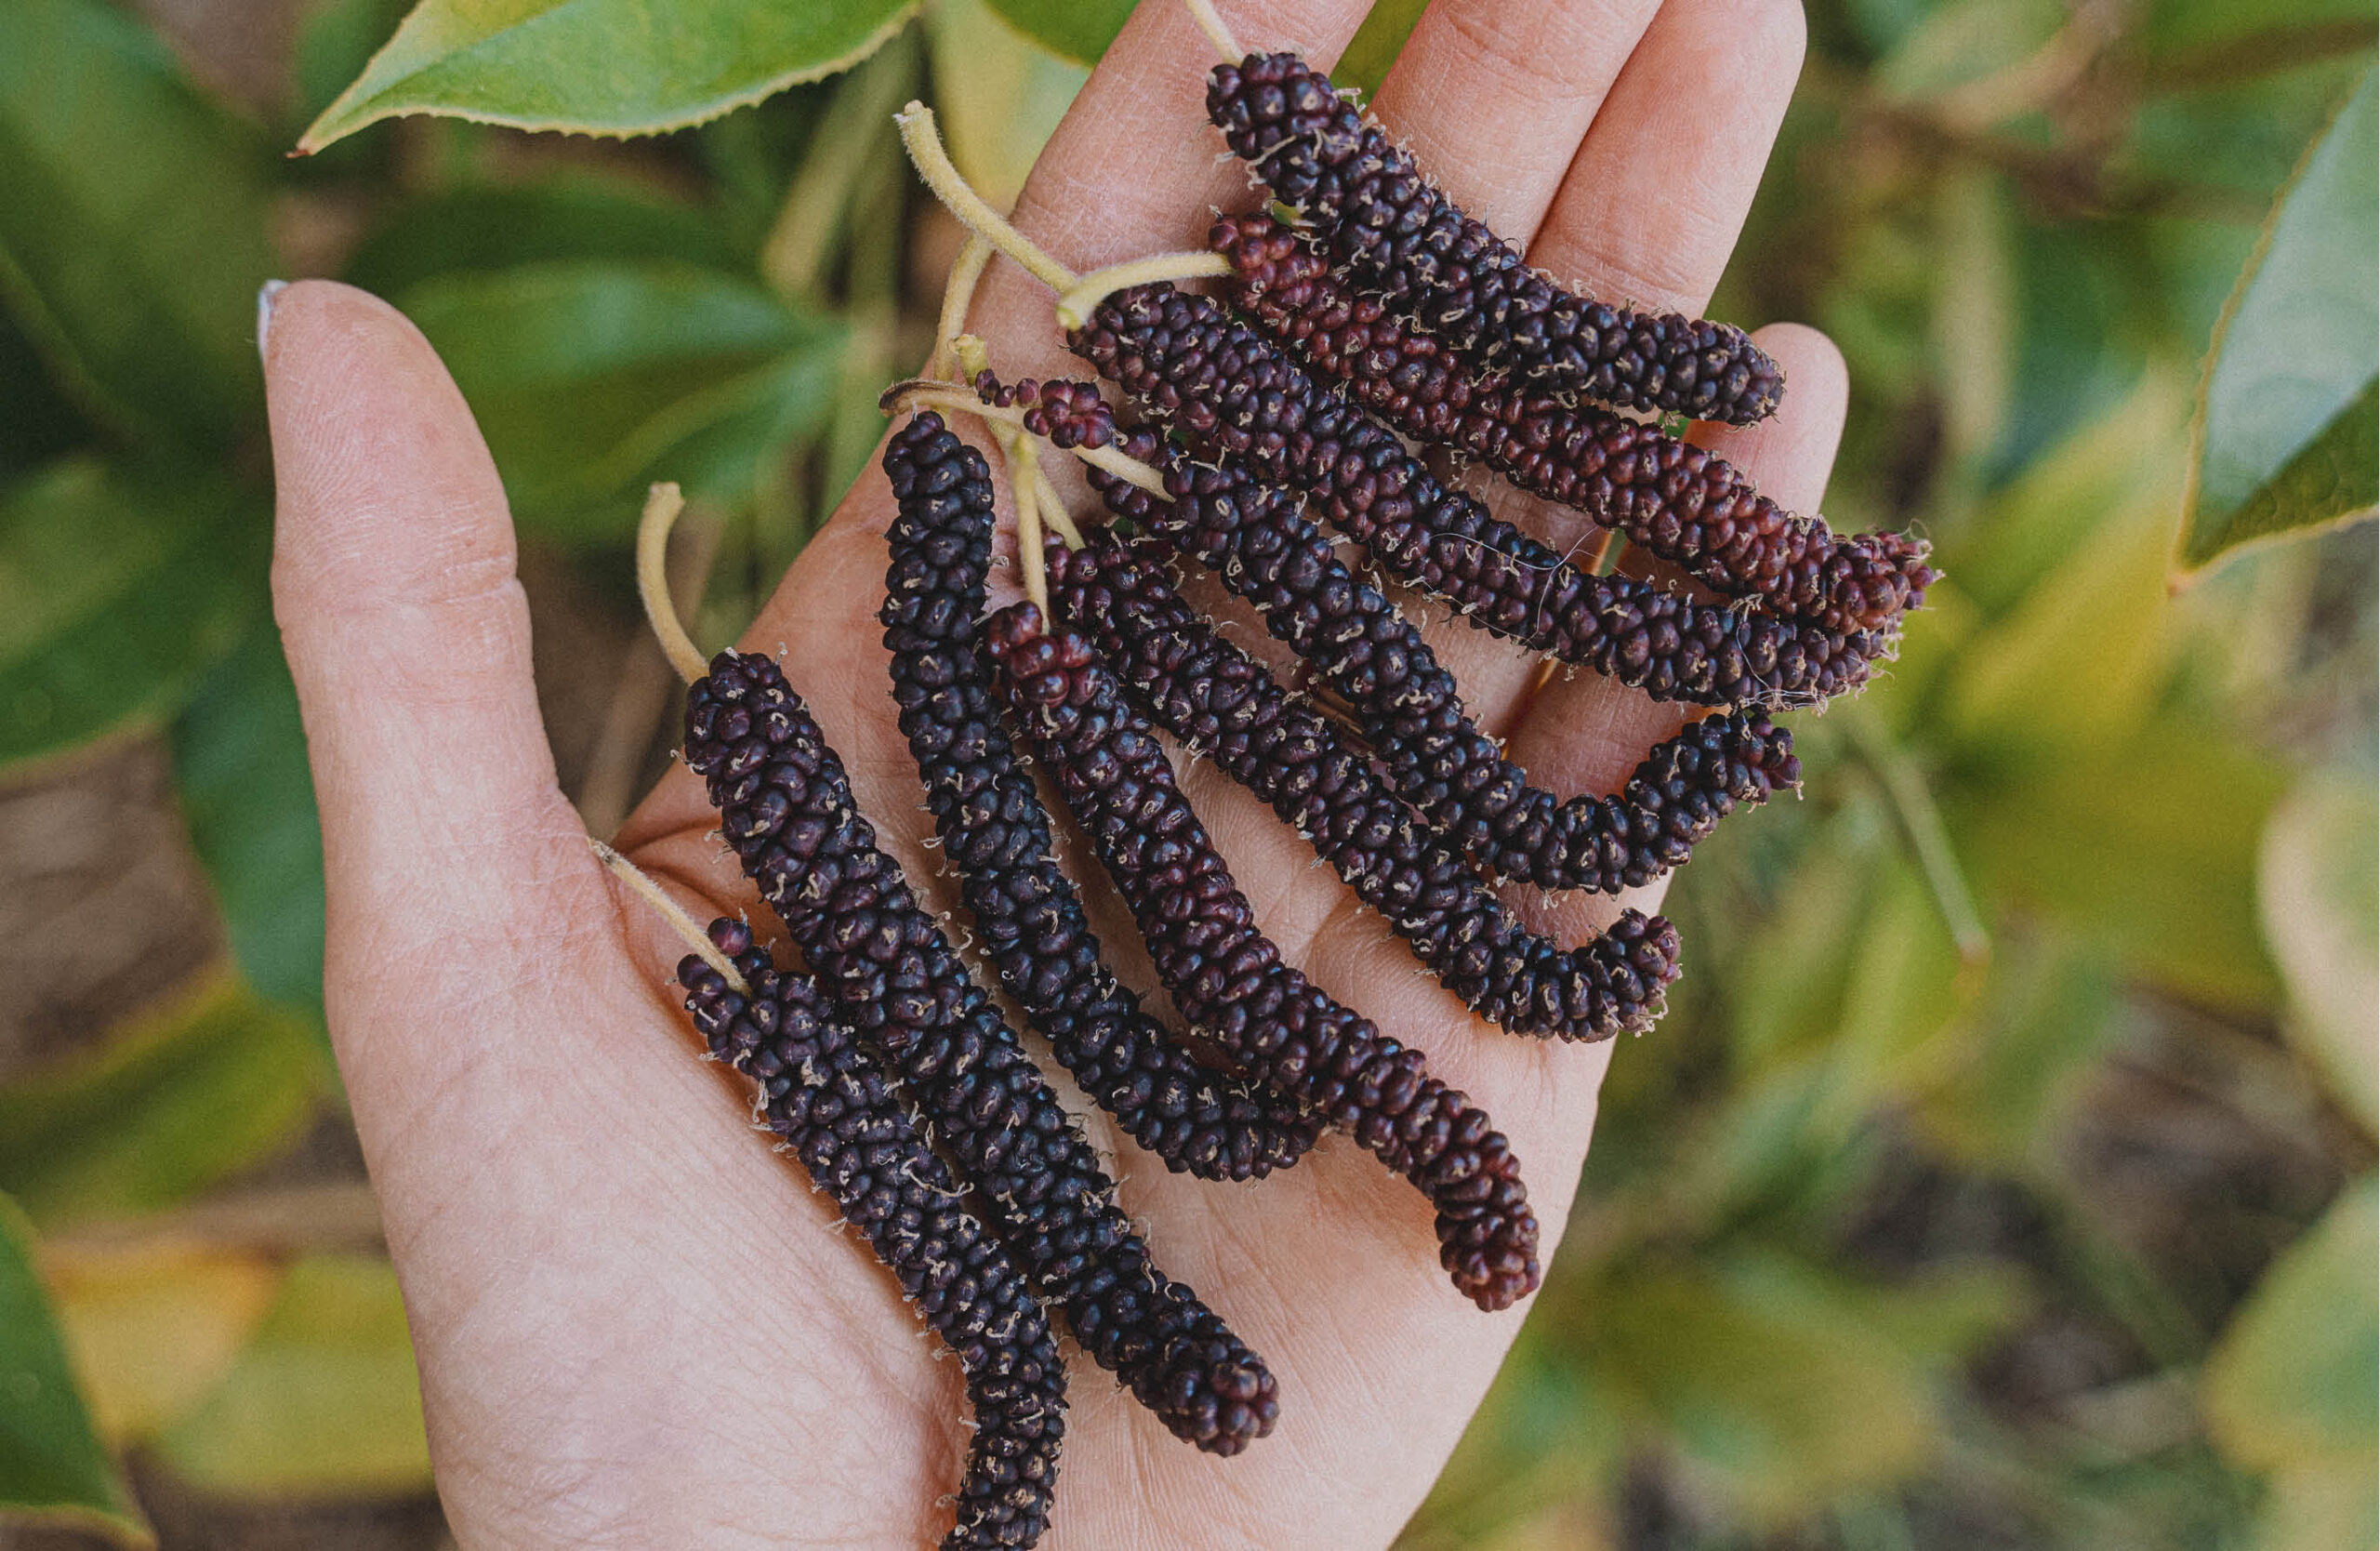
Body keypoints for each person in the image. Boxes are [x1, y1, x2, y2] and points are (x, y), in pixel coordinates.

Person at [258, 0, 1846, 1543]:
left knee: (1423, 775)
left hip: (1173, 493)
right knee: (1350, 811)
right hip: (1128, 541)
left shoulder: (1166, 494)